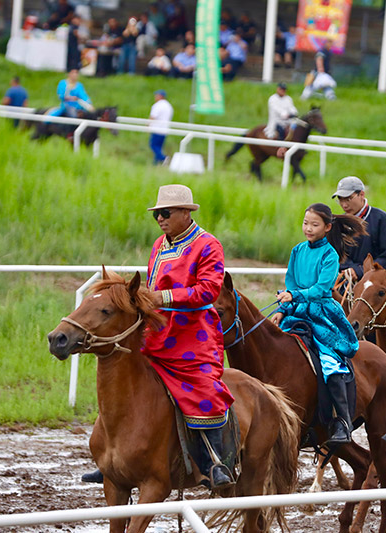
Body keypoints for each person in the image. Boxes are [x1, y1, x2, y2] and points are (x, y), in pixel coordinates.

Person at [142, 184, 236, 489]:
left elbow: (209, 290)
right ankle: (115, 455)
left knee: (204, 386)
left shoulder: (209, 245)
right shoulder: (158, 245)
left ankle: (214, 460)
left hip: (194, 331)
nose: (160, 218)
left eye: (165, 213)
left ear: (185, 213)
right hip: (157, 328)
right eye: (157, 214)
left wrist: (163, 298)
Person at [270, 203, 364, 445]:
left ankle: (342, 422)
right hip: (295, 311)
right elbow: (290, 283)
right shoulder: (297, 251)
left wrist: (295, 296)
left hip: (322, 314)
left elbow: (322, 288)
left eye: (314, 224)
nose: (308, 228)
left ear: (327, 228)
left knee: (330, 362)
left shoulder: (330, 255)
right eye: (305, 223)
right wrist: (282, 310)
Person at [331, 176, 386, 282]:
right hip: (344, 280)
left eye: (348, 199)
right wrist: (349, 270)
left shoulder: (383, 219)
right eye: (340, 199)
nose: (344, 204)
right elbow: (337, 254)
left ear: (361, 194)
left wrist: (359, 271)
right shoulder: (338, 223)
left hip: (373, 284)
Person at [149, 90, 173, 165]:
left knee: (153, 145)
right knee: (159, 147)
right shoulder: (169, 106)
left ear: (160, 96)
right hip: (165, 129)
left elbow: (153, 116)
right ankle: (155, 163)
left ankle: (163, 158)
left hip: (157, 128)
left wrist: (148, 124)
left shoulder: (158, 105)